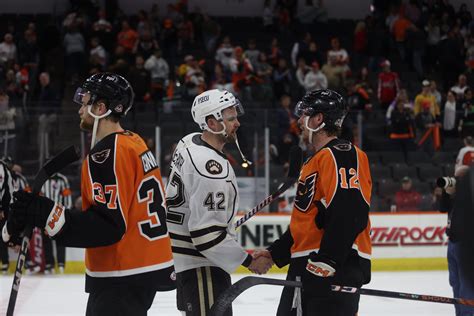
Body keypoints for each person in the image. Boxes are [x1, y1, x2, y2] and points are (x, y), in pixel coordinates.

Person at [3, 73, 175, 315]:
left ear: (100, 108)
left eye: (85, 103)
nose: (80, 109)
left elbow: (108, 226)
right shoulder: (134, 142)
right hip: (138, 269)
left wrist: (46, 213)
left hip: (122, 272)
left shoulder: (106, 154)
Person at [254, 89, 372, 315]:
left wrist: (327, 262)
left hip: (334, 267)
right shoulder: (313, 161)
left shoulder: (341, 154)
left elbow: (350, 211)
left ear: (318, 119)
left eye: (304, 115)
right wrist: (274, 253)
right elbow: (308, 223)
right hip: (308, 267)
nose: (298, 121)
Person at [165, 89, 272, 315]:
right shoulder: (211, 168)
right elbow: (206, 235)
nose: (237, 123)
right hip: (203, 268)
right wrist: (249, 261)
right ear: (212, 123)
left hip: (187, 265)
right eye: (231, 118)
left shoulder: (188, 142)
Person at [438, 165, 474, 316]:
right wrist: (445, 194)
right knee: (455, 282)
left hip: (465, 243)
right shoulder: (455, 195)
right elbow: (442, 208)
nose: (456, 180)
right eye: (455, 177)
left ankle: (467, 313)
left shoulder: (468, 196)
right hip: (452, 243)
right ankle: (459, 312)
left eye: (459, 178)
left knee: (466, 284)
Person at [40, 172, 73, 274]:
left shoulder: (62, 179)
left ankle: (61, 264)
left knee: (60, 239)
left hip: (59, 214)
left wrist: (66, 212)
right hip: (45, 215)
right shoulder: (42, 178)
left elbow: (67, 197)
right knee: (46, 240)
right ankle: (49, 264)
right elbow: (39, 198)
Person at [0, 157, 13, 274]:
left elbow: (3, 190)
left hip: (4, 210)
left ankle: (5, 263)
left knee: (3, 236)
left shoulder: (2, 168)